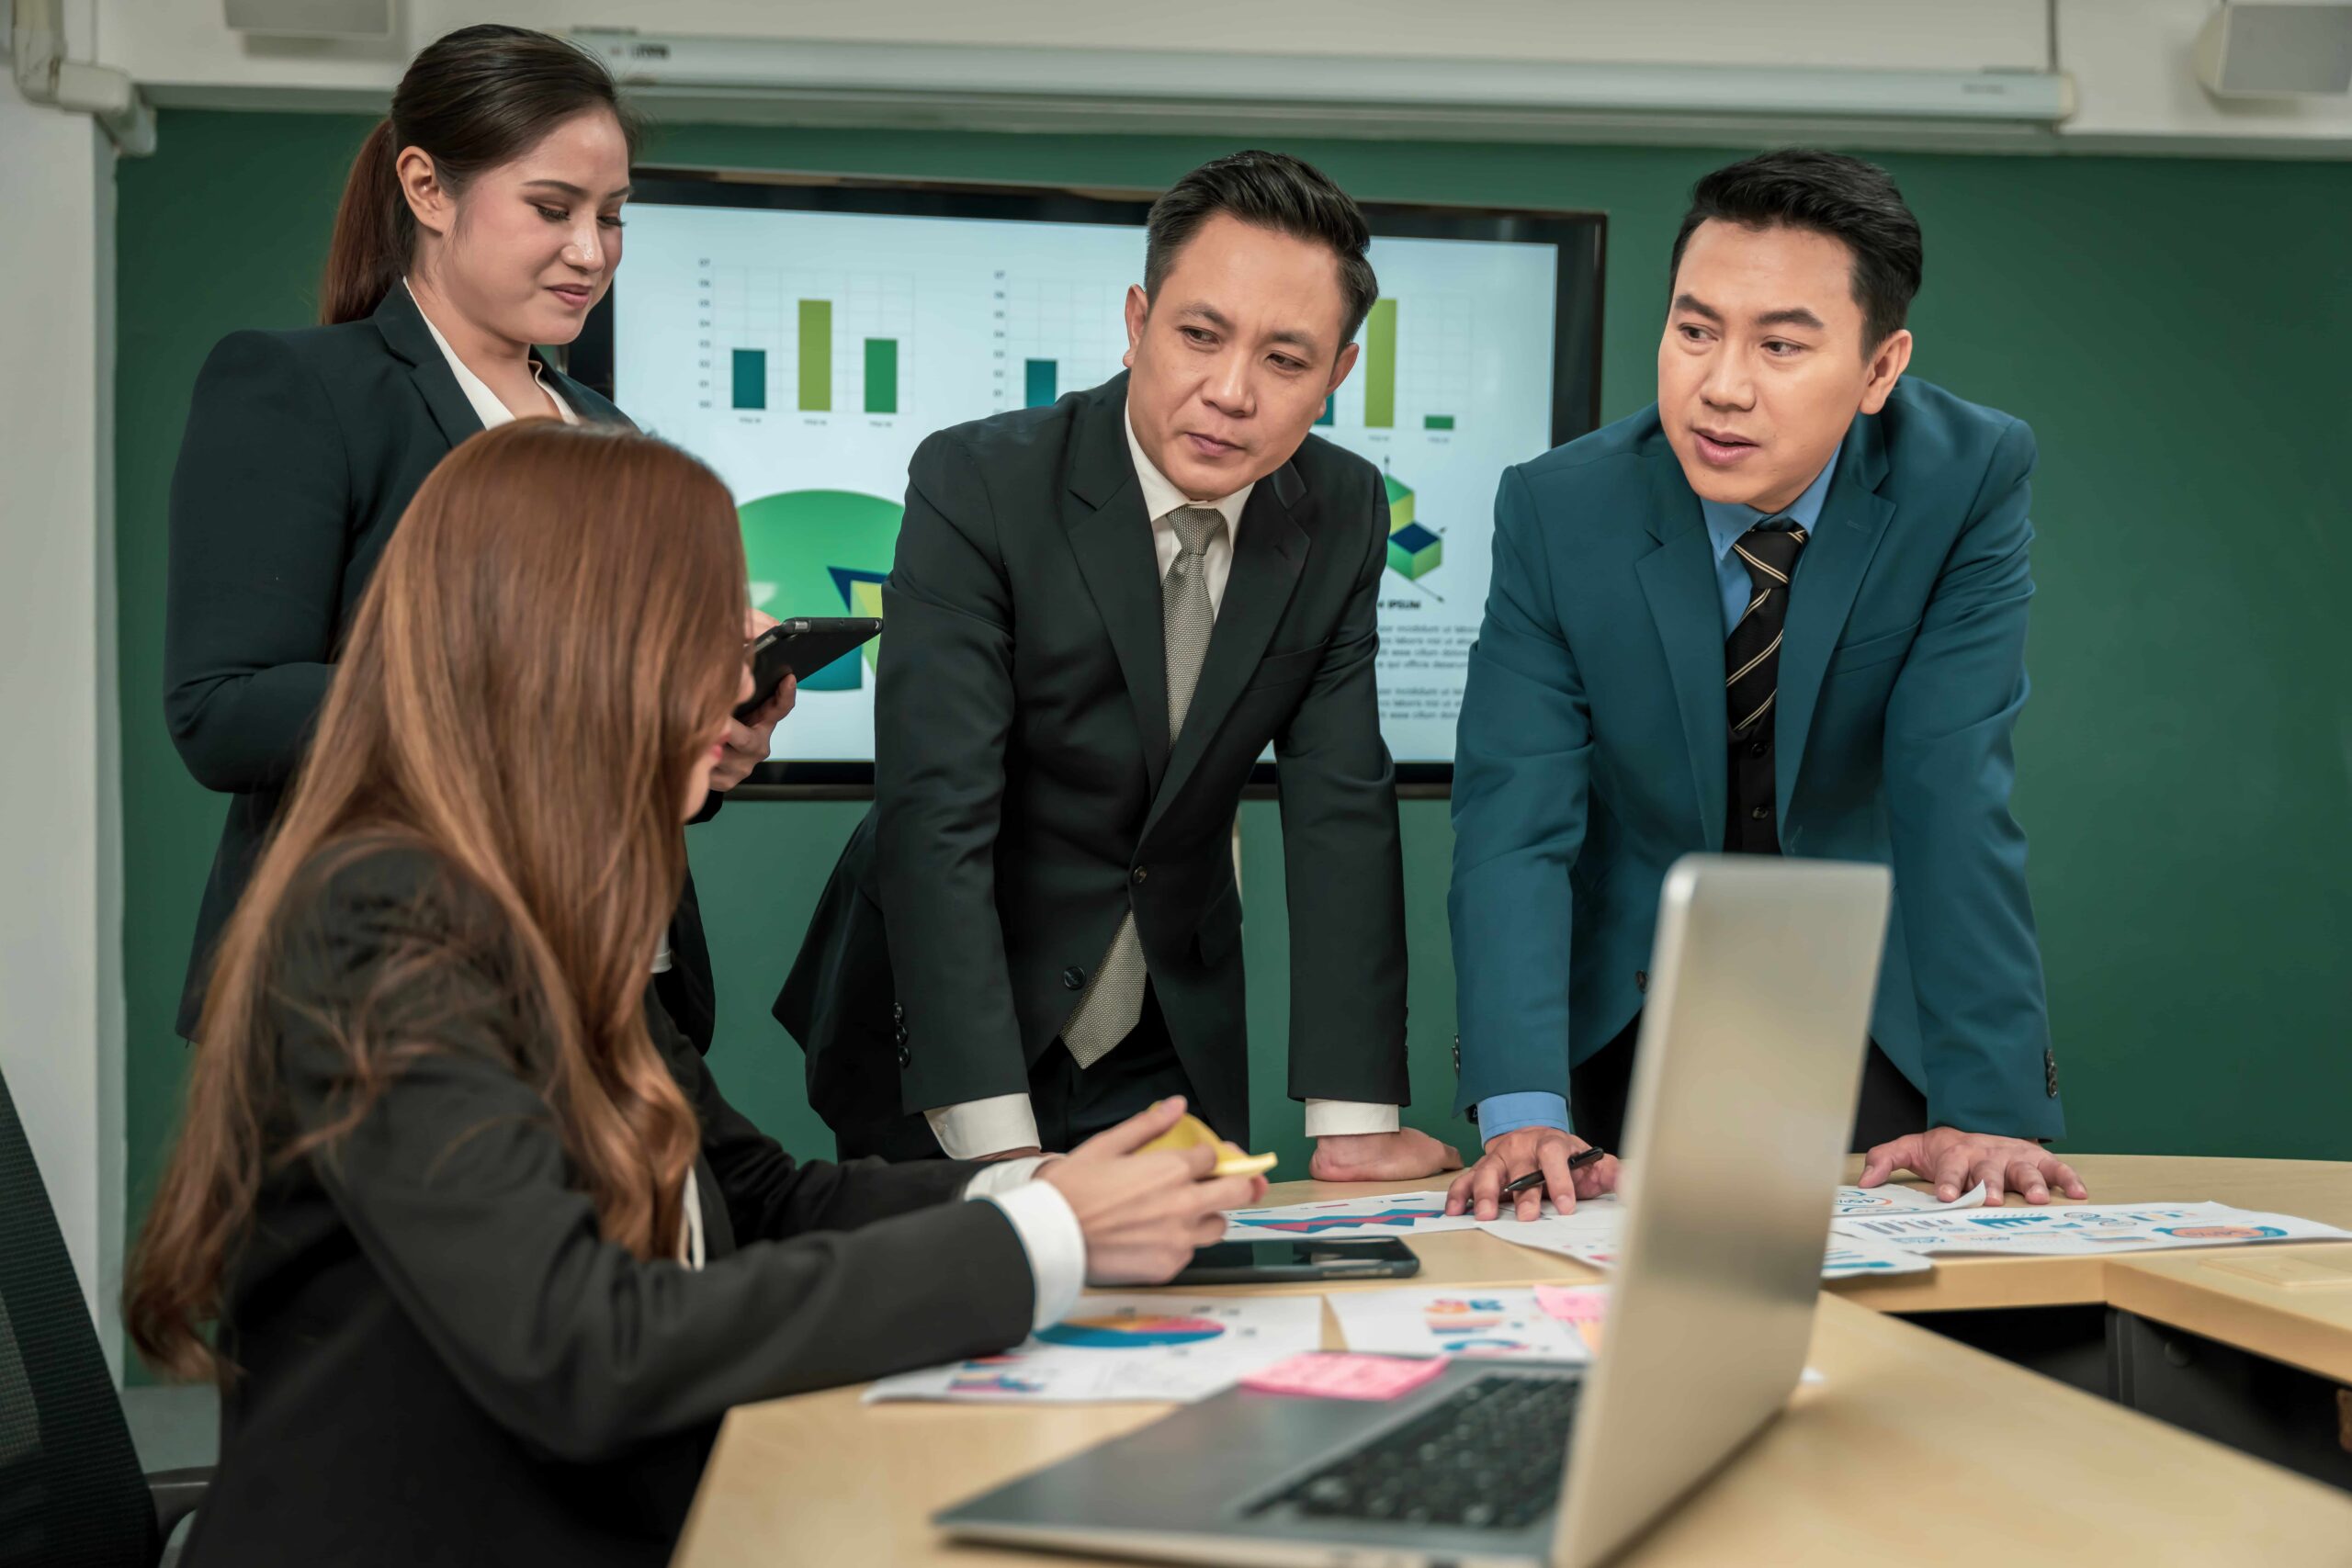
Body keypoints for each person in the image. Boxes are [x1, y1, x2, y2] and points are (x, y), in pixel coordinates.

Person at [124, 421, 1261, 1567]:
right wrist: (1036, 1244)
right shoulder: (385, 921)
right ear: (580, 648)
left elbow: (751, 1197)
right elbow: (582, 1346)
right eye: (715, 629)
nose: (745, 673)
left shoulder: (544, 901)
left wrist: (1034, 1186)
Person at [779, 151, 1458, 1181]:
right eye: (1199, 335)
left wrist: (1353, 1115)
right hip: (956, 1005)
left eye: (1285, 360)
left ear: (1336, 375)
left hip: (1165, 1014)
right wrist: (1003, 1158)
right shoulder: (980, 480)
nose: (1230, 393)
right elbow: (936, 808)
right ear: (1138, 321)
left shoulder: (1344, 508)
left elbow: (1341, 807)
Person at [1445, 150, 2086, 1223]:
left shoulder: (1965, 479)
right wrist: (1519, 1101)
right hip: (1629, 986)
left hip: (1868, 986)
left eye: (1781, 345)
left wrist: (1989, 1102)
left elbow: (1950, 794)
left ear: (1880, 369)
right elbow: (1516, 817)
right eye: (1694, 331)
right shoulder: (1559, 512)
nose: (1722, 385)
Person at [162, 23, 792, 1055]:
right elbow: (222, 713)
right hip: (380, 1013)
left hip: (614, 993)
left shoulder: (608, 434)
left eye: (613, 217)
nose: (592, 252)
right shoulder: (303, 391)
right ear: (427, 188)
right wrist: (564, 685)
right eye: (552, 209)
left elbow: (601, 750)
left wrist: (701, 733)